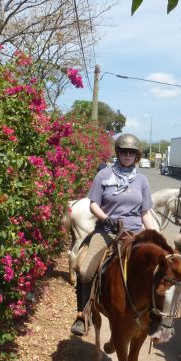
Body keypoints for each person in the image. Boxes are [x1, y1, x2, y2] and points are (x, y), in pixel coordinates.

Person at [70, 133, 158, 336]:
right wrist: (106, 219)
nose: (128, 155)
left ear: (137, 155)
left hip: (135, 232)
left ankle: (154, 317)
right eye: (124, 151)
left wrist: (154, 234)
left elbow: (145, 212)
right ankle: (83, 316)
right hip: (107, 231)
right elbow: (93, 204)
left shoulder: (142, 180)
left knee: (158, 269)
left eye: (132, 152)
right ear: (118, 152)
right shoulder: (104, 175)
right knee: (85, 271)